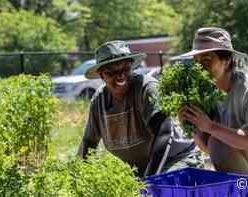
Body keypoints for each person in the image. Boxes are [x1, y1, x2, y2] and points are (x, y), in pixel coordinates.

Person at [178, 27, 248, 195]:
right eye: (196, 60)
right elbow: (209, 148)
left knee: (217, 140)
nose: (199, 67)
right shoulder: (207, 92)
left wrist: (211, 127)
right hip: (247, 170)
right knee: (217, 142)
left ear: (227, 60)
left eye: (206, 60)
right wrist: (190, 123)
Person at [77, 40, 201, 177]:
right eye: (111, 72)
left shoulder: (147, 88)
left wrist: (149, 181)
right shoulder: (99, 101)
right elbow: (89, 142)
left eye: (125, 69)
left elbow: (163, 134)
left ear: (132, 67)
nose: (120, 76)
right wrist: (78, 178)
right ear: (101, 75)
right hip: (140, 169)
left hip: (176, 159)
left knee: (164, 189)